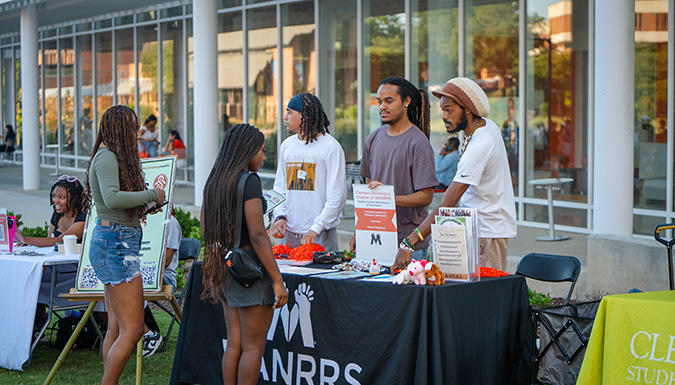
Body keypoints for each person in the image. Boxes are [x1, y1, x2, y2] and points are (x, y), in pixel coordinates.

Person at [393, 77, 517, 272]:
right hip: (480, 231)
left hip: (486, 234)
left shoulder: (480, 145)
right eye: (442, 110)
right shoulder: (484, 126)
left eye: (449, 110)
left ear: (468, 108)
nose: (443, 116)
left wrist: (409, 242)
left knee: (484, 298)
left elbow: (446, 205)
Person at [83, 105, 166, 385]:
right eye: (133, 128)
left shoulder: (109, 156)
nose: (138, 132)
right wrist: (152, 193)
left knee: (118, 327)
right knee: (133, 330)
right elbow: (112, 199)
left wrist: (146, 203)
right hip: (116, 243)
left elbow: (116, 202)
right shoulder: (106, 157)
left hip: (116, 241)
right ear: (118, 129)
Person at [201, 123, 288, 385]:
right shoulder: (249, 181)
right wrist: (277, 280)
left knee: (234, 346)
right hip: (249, 271)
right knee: (252, 349)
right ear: (247, 150)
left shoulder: (215, 179)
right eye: (261, 150)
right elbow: (258, 235)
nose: (264, 157)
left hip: (225, 268)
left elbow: (206, 229)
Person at [350, 77, 438, 260]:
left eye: (389, 101)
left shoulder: (418, 142)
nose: (382, 106)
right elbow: (368, 192)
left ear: (406, 101)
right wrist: (360, 230)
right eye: (379, 101)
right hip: (374, 239)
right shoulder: (372, 139)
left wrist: (387, 198)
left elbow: (426, 196)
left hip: (408, 245)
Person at [269, 93, 347, 251]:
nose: (285, 117)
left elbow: (337, 195)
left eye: (290, 112)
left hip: (320, 235)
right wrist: (279, 217)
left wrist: (316, 228)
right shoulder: (287, 145)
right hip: (288, 233)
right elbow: (279, 188)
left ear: (304, 116)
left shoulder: (330, 147)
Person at [14, 175, 88, 335]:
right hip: (57, 267)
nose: (56, 200)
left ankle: (37, 327)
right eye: (54, 196)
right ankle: (35, 328)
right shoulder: (57, 215)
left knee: (35, 281)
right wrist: (27, 243)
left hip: (74, 273)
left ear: (74, 199)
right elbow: (49, 242)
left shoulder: (83, 217)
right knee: (31, 280)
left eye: (61, 197)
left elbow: (59, 240)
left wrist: (28, 239)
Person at [141, 205, 182, 357]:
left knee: (132, 288)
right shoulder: (144, 221)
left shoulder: (170, 223)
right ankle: (143, 332)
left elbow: (165, 262)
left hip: (165, 277)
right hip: (143, 273)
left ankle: (148, 334)